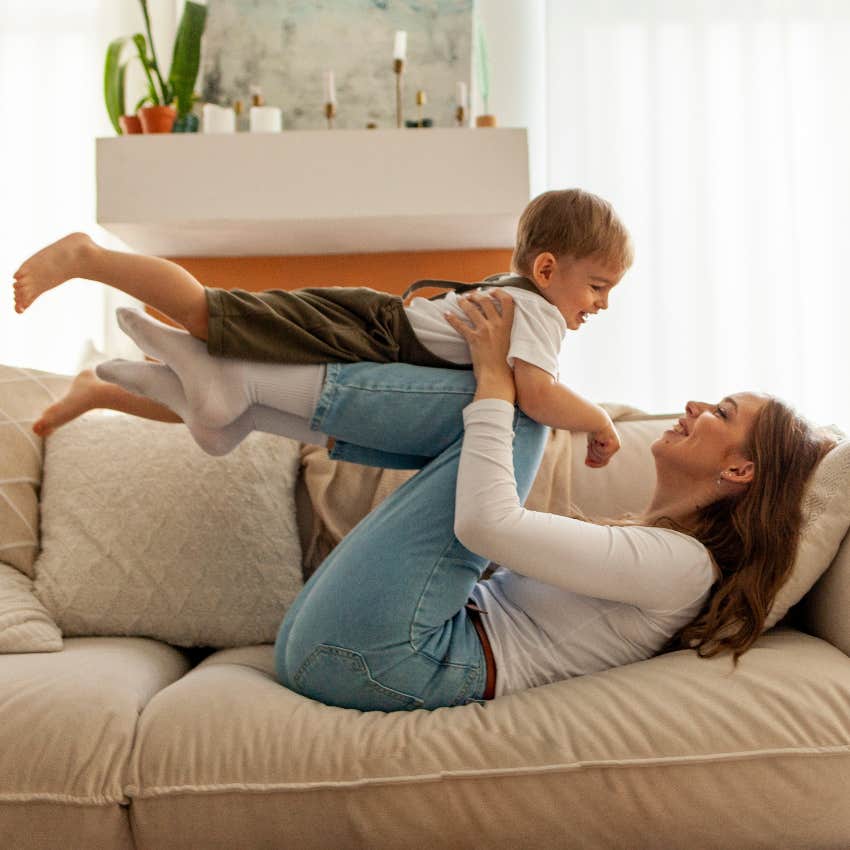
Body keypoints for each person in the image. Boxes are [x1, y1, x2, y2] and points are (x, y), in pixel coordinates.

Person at [29, 291, 835, 709]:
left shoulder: (680, 567)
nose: (696, 408)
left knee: (512, 414)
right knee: (485, 426)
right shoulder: (654, 543)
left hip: (385, 657)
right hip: (363, 643)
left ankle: (232, 390)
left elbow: (485, 523)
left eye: (721, 416)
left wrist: (497, 378)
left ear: (740, 474)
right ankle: (230, 400)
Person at [13, 189, 632, 467]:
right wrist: (598, 421)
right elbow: (538, 393)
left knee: (233, 397)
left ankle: (101, 390)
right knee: (211, 316)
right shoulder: (539, 312)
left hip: (376, 337)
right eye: (597, 286)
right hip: (367, 330)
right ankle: (86, 258)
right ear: (547, 269)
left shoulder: (520, 291)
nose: (601, 306)